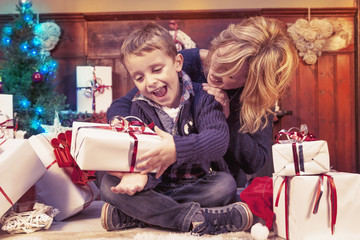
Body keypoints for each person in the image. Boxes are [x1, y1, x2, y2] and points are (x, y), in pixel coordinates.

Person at [107, 16, 298, 187]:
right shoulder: (186, 62)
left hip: (214, 178)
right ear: (219, 45)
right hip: (163, 175)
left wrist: (227, 119)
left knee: (222, 187)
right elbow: (123, 104)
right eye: (220, 59)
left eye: (230, 75)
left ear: (250, 82)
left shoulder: (258, 97)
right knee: (109, 180)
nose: (216, 72)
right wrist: (125, 126)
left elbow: (255, 162)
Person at [100, 22, 253, 235]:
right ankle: (192, 218)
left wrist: (175, 149)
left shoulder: (204, 97)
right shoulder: (137, 107)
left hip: (197, 183)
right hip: (155, 186)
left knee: (225, 185)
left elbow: (217, 140)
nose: (151, 81)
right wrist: (140, 177)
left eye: (156, 69)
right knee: (108, 184)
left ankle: (137, 214)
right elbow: (140, 157)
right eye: (140, 77)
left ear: (178, 63)